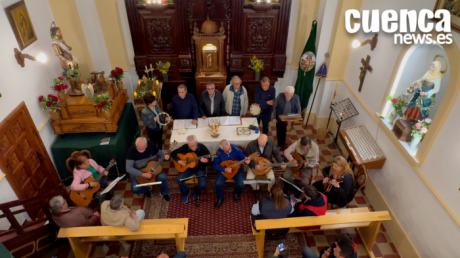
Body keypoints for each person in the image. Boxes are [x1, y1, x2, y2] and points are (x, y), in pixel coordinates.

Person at [170, 135, 210, 204]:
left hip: (199, 168)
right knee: (179, 179)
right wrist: (179, 161)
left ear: (197, 142)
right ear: (188, 144)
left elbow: (210, 161)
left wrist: (206, 161)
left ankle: (196, 191)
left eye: (194, 145)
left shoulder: (203, 148)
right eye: (190, 146)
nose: (192, 148)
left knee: (203, 185)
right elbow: (173, 153)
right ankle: (186, 192)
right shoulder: (185, 147)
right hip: (188, 169)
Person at [212, 139, 250, 208]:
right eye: (225, 150)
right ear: (222, 149)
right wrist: (224, 169)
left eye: (229, 148)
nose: (228, 150)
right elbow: (214, 165)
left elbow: (243, 158)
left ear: (229, 145)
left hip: (237, 170)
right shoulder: (219, 152)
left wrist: (246, 160)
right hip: (224, 170)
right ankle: (220, 198)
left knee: (241, 184)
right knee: (218, 184)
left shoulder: (236, 150)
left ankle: (236, 193)